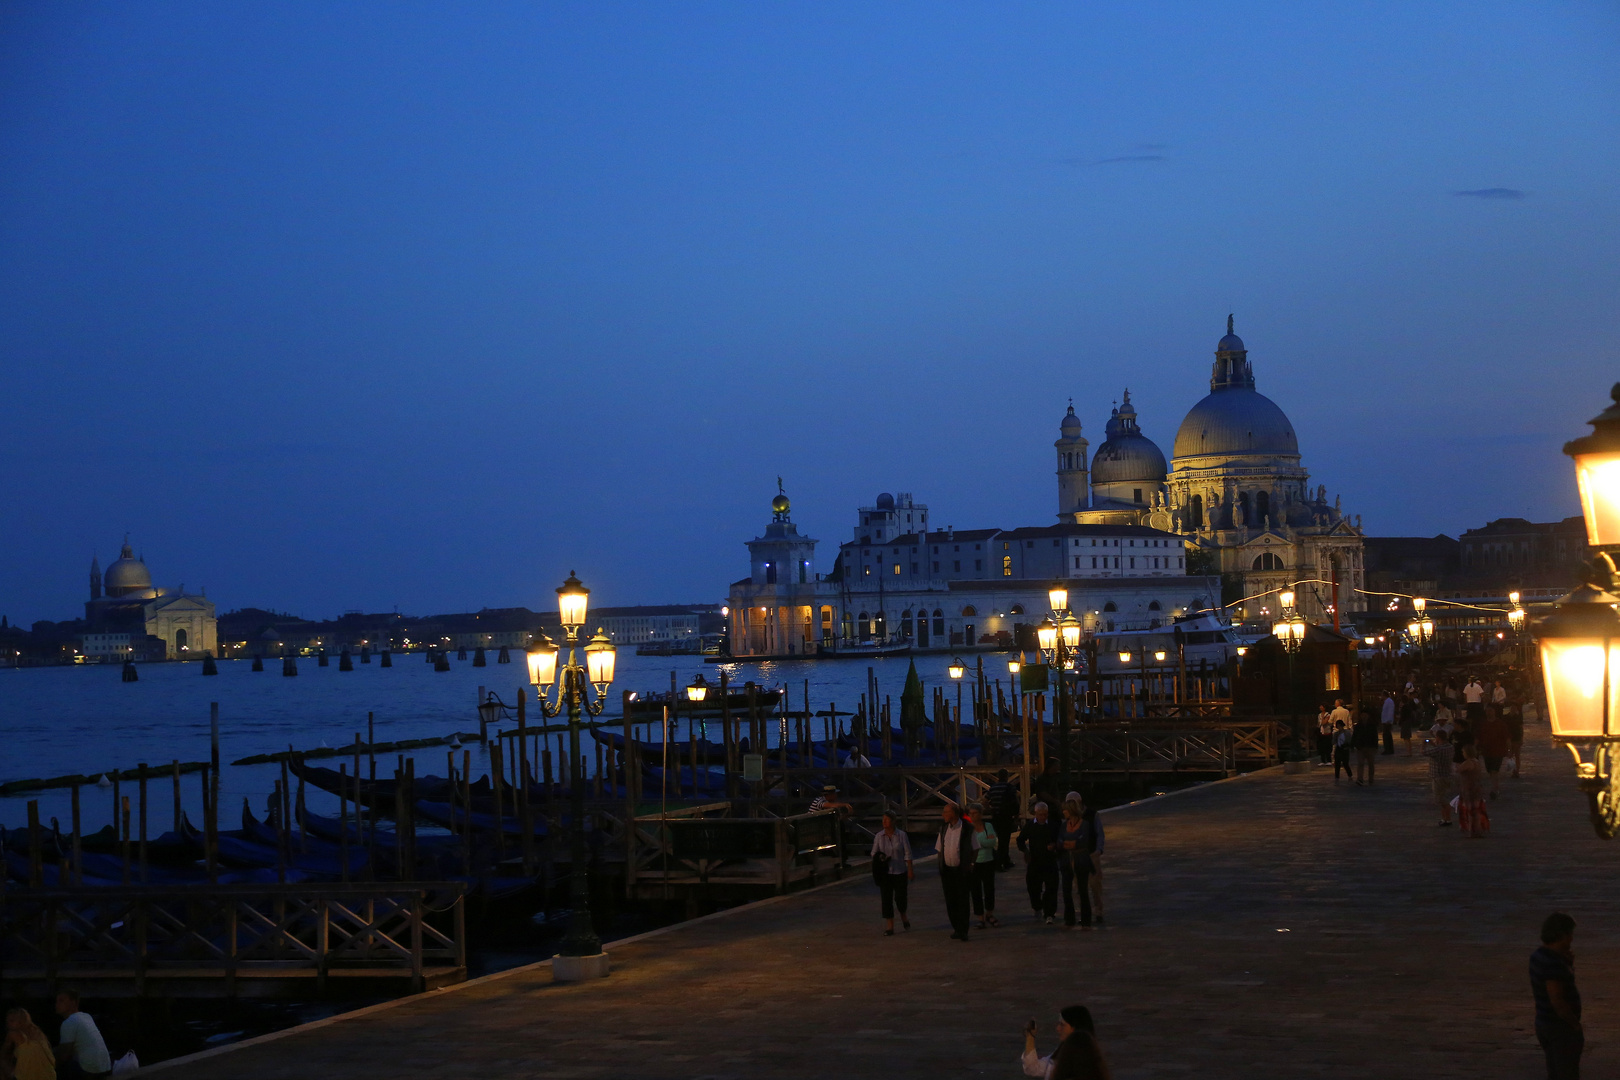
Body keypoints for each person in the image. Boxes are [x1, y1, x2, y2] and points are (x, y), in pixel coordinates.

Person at [1530, 912, 1582, 1080]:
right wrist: (1575, 1025)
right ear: (1562, 935)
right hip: (1559, 1027)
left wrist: (1568, 964)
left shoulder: (1538, 955)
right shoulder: (1554, 963)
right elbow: (1557, 1000)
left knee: (1554, 1072)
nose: (1571, 939)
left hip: (1544, 1023)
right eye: (1570, 934)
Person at [1021, 1005, 1113, 1080]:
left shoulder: (1083, 1060)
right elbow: (1033, 1068)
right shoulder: (1062, 1052)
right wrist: (1030, 1037)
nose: (1058, 1029)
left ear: (1074, 1028)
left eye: (1062, 1025)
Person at [935, 802, 975, 940]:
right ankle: (957, 927)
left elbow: (975, 847)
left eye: (946, 812)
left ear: (953, 813)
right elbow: (940, 849)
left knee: (963, 900)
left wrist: (970, 863)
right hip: (947, 871)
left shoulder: (967, 828)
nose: (943, 815)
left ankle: (963, 930)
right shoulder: (944, 829)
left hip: (961, 870)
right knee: (950, 900)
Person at [870, 810, 913, 935]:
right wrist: (880, 857)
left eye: (887, 819)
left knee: (900, 898)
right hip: (885, 873)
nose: (884, 822)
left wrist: (910, 870)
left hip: (900, 870)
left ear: (893, 821)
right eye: (883, 819)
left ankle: (903, 915)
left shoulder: (902, 835)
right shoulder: (879, 836)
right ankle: (890, 926)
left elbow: (908, 853)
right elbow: (873, 852)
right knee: (886, 899)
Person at [1017, 801, 1060, 924]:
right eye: (1040, 814)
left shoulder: (1053, 825)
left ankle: (1049, 913)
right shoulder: (1030, 826)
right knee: (1033, 887)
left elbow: (1060, 840)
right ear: (1035, 814)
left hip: (1049, 860)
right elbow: (1020, 839)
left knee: (1051, 887)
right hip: (1035, 860)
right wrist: (1025, 851)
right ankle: (1037, 907)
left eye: (1045, 814)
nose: (1043, 817)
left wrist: (1055, 845)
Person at [52, 992, 110, 1080]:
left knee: (62, 1066)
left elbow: (64, 1055)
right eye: (56, 1001)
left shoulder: (69, 1022)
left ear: (73, 1003)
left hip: (89, 1071)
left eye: (61, 1001)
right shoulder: (86, 1016)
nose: (57, 1004)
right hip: (105, 1068)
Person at [1056, 800, 1093, 929]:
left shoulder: (1085, 825)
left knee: (1082, 890)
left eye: (1065, 810)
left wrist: (1069, 844)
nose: (1063, 812)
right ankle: (1069, 918)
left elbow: (1082, 842)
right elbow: (1060, 841)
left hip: (1080, 860)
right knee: (1066, 890)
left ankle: (1086, 920)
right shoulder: (1063, 825)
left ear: (1070, 810)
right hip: (1067, 860)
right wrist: (1071, 843)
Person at [966, 802, 998, 928]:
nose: (972, 816)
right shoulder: (968, 828)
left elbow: (992, 842)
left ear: (980, 814)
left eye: (975, 813)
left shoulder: (988, 826)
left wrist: (977, 843)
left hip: (988, 861)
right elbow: (968, 845)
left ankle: (989, 913)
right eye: (970, 813)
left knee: (989, 889)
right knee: (976, 890)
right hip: (974, 863)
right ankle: (980, 916)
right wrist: (983, 842)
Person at [5, 1008, 56, 1080]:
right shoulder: (39, 1033)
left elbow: (4, 1052)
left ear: (20, 1021)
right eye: (7, 1021)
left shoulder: (13, 1034)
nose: (8, 1024)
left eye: (12, 1021)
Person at [1422, 729, 1455, 826]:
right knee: (1442, 797)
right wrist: (1434, 744)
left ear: (1438, 737)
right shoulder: (1450, 747)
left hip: (1438, 776)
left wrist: (1424, 744)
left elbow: (1424, 752)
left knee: (1440, 799)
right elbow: (1439, 750)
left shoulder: (1438, 749)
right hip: (1447, 774)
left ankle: (1448, 819)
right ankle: (1444, 819)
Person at [986, 769, 1018, 870]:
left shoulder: (993, 788)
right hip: (1006, 816)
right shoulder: (1010, 787)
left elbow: (984, 800)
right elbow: (1016, 802)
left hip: (996, 816)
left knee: (1000, 838)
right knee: (1005, 840)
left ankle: (1005, 860)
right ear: (1007, 776)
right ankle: (1001, 862)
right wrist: (1016, 816)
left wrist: (990, 809)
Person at [1477, 709, 1511, 800]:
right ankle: (1495, 787)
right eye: (1488, 711)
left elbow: (1506, 737)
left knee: (1494, 770)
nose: (1489, 712)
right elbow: (1479, 737)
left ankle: (1494, 789)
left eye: (1491, 711)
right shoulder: (1483, 724)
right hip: (1486, 751)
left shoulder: (1500, 724)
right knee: (1490, 770)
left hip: (1498, 751)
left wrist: (1508, 749)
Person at [1456, 745, 1489, 837]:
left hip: (1469, 790)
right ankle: (1478, 830)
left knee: (1470, 811)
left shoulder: (1469, 762)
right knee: (1477, 811)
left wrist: (1457, 766)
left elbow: (1458, 770)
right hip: (1476, 788)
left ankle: (1471, 830)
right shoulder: (1476, 761)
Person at [1082, 802, 1105, 927]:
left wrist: (1098, 850)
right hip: (1077, 855)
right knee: (1081, 887)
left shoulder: (1092, 815)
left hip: (1091, 854)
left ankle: (1098, 910)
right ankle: (1085, 912)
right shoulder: (1070, 816)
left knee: (1095, 885)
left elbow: (1099, 833)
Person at [1351, 708, 1379, 786]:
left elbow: (1375, 736)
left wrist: (1375, 746)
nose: (1364, 716)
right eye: (1362, 715)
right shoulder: (1358, 726)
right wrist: (1353, 745)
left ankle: (1371, 779)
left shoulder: (1372, 726)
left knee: (1371, 764)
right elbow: (1354, 736)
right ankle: (1360, 779)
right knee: (1360, 763)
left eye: (1365, 715)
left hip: (1370, 747)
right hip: (1360, 747)